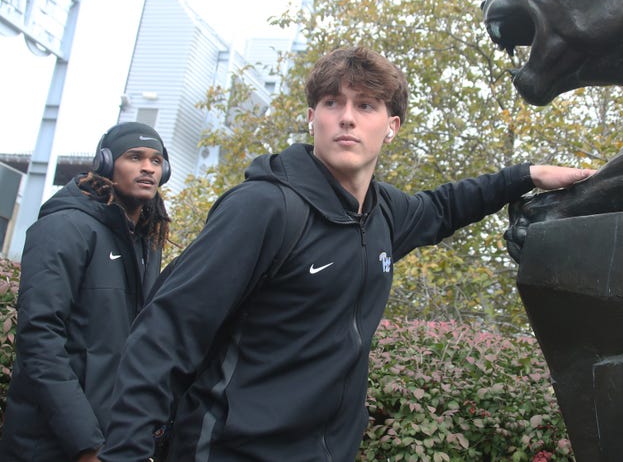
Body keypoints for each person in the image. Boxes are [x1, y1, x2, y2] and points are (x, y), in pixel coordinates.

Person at [99, 47, 593, 462]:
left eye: (366, 105)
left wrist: (526, 174)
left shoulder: (382, 214)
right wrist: (126, 452)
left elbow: (443, 207)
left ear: (392, 125)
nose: (347, 117)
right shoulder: (264, 208)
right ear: (312, 117)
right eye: (333, 102)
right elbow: (166, 333)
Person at [0, 122, 172, 462]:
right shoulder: (64, 226)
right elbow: (39, 339)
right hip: (50, 444)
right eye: (135, 157)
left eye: (156, 160)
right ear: (106, 163)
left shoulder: (145, 240)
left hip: (112, 439)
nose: (147, 168)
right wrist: (86, 443)